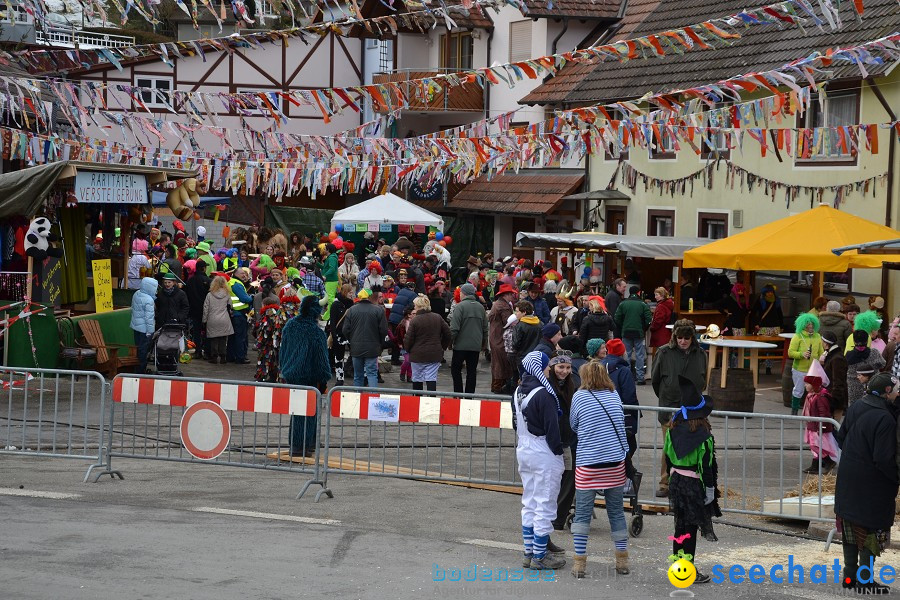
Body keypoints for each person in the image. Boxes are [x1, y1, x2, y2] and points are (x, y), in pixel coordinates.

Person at [834, 373, 899, 594]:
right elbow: (883, 458)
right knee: (872, 529)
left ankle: (850, 578)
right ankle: (864, 580)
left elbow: (841, 437)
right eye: (896, 389)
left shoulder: (857, 406)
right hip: (873, 483)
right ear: (887, 391)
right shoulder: (885, 419)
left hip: (849, 476)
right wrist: (895, 477)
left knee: (851, 527)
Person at [569, 360, 631, 578]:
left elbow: (574, 425)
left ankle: (579, 564)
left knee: (583, 515)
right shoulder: (614, 395)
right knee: (616, 512)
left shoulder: (579, 396)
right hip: (615, 463)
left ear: (585, 377)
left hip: (589, 464)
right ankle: (622, 560)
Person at [664, 376, 720, 585]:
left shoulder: (673, 428)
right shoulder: (704, 435)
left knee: (680, 525)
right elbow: (706, 466)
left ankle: (678, 565)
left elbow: (668, 456)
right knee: (690, 529)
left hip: (676, 480)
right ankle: (687, 569)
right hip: (693, 483)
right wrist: (710, 489)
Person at [513, 351, 566, 571]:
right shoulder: (544, 394)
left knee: (530, 501)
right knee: (545, 503)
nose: (548, 368)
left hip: (523, 448)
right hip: (543, 450)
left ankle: (529, 552)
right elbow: (552, 429)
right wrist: (558, 452)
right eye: (546, 365)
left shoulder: (517, 391)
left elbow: (515, 422)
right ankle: (540, 556)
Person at [651, 319, 707, 498]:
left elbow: (703, 379)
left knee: (693, 445)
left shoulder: (700, 354)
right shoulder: (664, 352)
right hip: (669, 406)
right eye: (680, 337)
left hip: (692, 408)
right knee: (670, 446)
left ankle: (690, 482)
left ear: (692, 338)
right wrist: (667, 395)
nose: (683, 341)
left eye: (687, 337)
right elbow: (655, 380)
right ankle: (665, 483)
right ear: (675, 337)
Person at [280, 296, 332, 458]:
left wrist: (284, 369)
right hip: (310, 378)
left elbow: (283, 351)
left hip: (291, 374)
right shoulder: (316, 332)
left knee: (296, 412)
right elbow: (322, 361)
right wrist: (324, 380)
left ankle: (296, 445)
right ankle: (305, 445)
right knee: (310, 413)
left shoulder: (290, 326)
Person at [340, 287, 389, 389]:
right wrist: (379, 342)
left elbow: (345, 329)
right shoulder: (378, 310)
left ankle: (358, 399)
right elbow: (384, 330)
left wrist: (352, 340)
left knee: (358, 375)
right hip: (372, 347)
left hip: (356, 347)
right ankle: (373, 399)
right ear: (370, 297)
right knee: (372, 374)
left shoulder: (351, 310)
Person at [404, 295, 451, 392]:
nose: (414, 307)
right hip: (434, 353)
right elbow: (448, 333)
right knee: (431, 378)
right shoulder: (437, 317)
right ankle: (431, 401)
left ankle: (417, 401)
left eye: (415, 305)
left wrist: (408, 349)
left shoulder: (415, 320)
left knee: (417, 378)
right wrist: (442, 346)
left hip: (417, 354)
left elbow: (409, 338)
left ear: (419, 306)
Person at [449, 283, 489, 394]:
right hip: (475, 346)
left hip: (460, 346)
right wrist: (483, 344)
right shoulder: (481, 307)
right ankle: (469, 396)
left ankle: (458, 395)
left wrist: (450, 342)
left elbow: (454, 328)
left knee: (456, 370)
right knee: (472, 372)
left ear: (464, 293)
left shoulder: (460, 307)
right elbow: (485, 328)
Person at [602, 339, 640, 444]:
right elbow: (629, 395)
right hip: (622, 416)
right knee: (629, 447)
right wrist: (636, 413)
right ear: (622, 352)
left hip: (602, 414)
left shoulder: (598, 367)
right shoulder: (624, 371)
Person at [801, 375, 840, 474]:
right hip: (812, 426)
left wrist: (821, 427)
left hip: (818, 427)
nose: (805, 385)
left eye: (807, 384)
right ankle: (815, 465)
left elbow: (824, 414)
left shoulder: (820, 397)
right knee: (814, 446)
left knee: (815, 445)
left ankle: (828, 461)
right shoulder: (811, 395)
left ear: (814, 385)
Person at [787, 313, 824, 415]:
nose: (810, 326)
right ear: (802, 325)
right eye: (807, 324)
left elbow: (820, 351)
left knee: (814, 391)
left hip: (813, 368)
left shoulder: (817, 336)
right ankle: (794, 411)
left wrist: (822, 357)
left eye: (812, 323)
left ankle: (811, 411)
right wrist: (801, 354)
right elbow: (790, 352)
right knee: (798, 390)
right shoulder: (797, 336)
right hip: (799, 369)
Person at [614, 287, 652, 384]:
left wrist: (623, 326)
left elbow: (617, 318)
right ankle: (640, 378)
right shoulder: (643, 304)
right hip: (639, 333)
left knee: (626, 354)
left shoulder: (623, 303)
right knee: (640, 355)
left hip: (626, 332)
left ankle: (627, 377)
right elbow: (649, 319)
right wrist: (644, 329)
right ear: (639, 293)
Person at [488, 284, 517, 393]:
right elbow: (508, 322)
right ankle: (499, 387)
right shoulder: (503, 306)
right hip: (500, 337)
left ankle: (497, 386)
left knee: (497, 362)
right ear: (506, 295)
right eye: (511, 294)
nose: (513, 296)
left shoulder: (499, 303)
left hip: (495, 336)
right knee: (501, 363)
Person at [846, 330, 886, 406]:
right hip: (873, 386)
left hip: (854, 389)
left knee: (855, 410)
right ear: (867, 340)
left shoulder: (849, 356)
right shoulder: (874, 353)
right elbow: (883, 364)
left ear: (854, 341)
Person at [202, 276, 234, 365]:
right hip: (224, 318)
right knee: (223, 339)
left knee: (214, 339)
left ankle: (214, 357)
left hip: (212, 319)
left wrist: (204, 320)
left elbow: (206, 308)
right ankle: (223, 357)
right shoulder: (227, 294)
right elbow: (230, 306)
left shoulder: (210, 294)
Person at [226, 267, 254, 364]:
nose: (244, 275)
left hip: (234, 313)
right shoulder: (237, 284)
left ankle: (230, 356)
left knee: (232, 337)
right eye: (242, 273)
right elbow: (244, 299)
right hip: (239, 314)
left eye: (245, 274)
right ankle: (240, 357)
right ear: (236, 274)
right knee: (240, 337)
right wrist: (251, 298)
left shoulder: (231, 282)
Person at [130, 277, 158, 373]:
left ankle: (136, 369)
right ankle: (141, 371)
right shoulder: (149, 300)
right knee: (143, 351)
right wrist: (150, 332)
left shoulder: (136, 294)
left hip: (136, 326)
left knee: (138, 349)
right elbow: (149, 318)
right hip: (145, 330)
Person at [328, 284, 354, 385]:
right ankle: (339, 378)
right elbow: (333, 321)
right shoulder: (336, 304)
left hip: (350, 334)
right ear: (345, 292)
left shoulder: (351, 304)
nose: (352, 294)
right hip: (339, 334)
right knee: (339, 357)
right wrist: (334, 336)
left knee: (355, 354)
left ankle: (359, 375)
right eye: (350, 292)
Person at [820, 332, 849, 420]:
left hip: (834, 400)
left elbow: (838, 382)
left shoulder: (837, 358)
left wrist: (833, 402)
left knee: (833, 427)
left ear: (826, 343)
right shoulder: (830, 355)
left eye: (822, 341)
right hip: (829, 397)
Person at [185, 264, 211, 360]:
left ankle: (198, 351)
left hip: (194, 309)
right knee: (207, 331)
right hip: (206, 309)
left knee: (196, 331)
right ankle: (207, 352)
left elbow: (186, 293)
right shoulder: (208, 280)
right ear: (204, 268)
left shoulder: (190, 280)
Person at [389, 280, 417, 365]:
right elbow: (411, 307)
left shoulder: (401, 291)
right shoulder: (413, 295)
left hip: (393, 317)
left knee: (395, 339)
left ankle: (394, 357)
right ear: (413, 288)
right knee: (399, 339)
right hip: (400, 319)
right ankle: (396, 359)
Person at [512, 300, 542, 374]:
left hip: (523, 357)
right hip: (537, 357)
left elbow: (515, 344)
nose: (515, 314)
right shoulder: (540, 323)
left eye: (517, 311)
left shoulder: (519, 326)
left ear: (524, 312)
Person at [320, 243, 339, 320]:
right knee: (330, 298)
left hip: (331, 280)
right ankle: (327, 316)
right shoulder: (331, 257)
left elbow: (332, 269)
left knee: (330, 298)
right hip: (331, 280)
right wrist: (317, 264)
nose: (324, 250)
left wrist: (325, 275)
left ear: (328, 250)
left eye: (325, 249)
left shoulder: (332, 258)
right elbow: (325, 268)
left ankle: (330, 315)